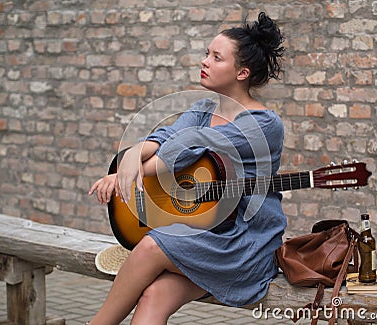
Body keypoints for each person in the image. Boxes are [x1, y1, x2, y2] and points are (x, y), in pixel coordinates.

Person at [88, 11, 286, 325]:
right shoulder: (204, 108)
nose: (205, 61)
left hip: (243, 244)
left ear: (242, 72)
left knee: (151, 245)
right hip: (203, 236)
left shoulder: (263, 125)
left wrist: (131, 168)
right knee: (153, 296)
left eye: (217, 57)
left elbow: (186, 150)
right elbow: (166, 138)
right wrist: (132, 154)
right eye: (206, 54)